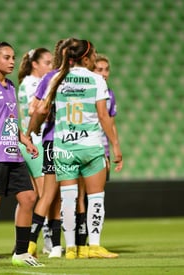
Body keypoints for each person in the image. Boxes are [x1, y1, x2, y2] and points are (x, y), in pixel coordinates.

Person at [40, 39, 123, 259]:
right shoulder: (96, 80)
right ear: (85, 58)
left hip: (64, 146)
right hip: (90, 145)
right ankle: (94, 246)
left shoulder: (56, 78)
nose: (95, 59)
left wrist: (30, 131)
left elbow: (42, 109)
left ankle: (70, 249)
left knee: (68, 199)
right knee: (95, 198)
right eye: (93, 55)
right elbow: (104, 117)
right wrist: (115, 145)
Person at [0, 41, 44, 268]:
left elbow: (10, 120)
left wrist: (25, 140)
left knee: (29, 198)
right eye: (6, 57)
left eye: (13, 57)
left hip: (13, 153)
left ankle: (21, 254)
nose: (12, 61)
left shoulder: (11, 86)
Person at [26, 38, 78, 258]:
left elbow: (34, 109)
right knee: (58, 195)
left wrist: (33, 128)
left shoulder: (51, 77)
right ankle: (36, 244)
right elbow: (34, 109)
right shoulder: (74, 78)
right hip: (68, 141)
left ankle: (52, 246)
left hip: (55, 140)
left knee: (53, 196)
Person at [75, 53, 120, 257]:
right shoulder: (86, 90)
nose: (103, 73)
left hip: (101, 150)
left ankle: (90, 242)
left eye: (106, 69)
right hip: (83, 147)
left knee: (94, 196)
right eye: (99, 69)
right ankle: (78, 242)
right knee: (78, 196)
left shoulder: (109, 94)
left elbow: (110, 122)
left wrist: (113, 148)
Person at [16, 47, 54, 256]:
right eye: (47, 62)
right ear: (35, 64)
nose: (51, 66)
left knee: (28, 196)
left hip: (27, 142)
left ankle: (20, 241)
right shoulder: (33, 83)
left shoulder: (25, 83)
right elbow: (36, 110)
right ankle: (46, 242)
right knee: (45, 194)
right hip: (35, 142)